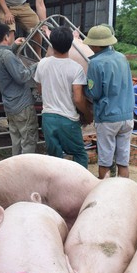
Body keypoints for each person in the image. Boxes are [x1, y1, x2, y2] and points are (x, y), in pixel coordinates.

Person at [34, 26, 93, 167]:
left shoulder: (42, 64)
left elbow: (40, 89)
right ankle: (80, 187)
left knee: (54, 158)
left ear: (52, 44)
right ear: (71, 43)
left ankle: (57, 187)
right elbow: (78, 99)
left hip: (48, 117)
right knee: (79, 154)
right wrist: (87, 113)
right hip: (68, 119)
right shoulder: (76, 68)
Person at [84, 24, 135, 178]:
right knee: (123, 161)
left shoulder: (95, 63)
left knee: (105, 161)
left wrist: (84, 90)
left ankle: (104, 194)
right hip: (127, 116)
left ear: (96, 45)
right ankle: (124, 191)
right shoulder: (122, 57)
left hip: (108, 118)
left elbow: (95, 93)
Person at [0, 23, 39, 155]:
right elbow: (22, 76)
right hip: (22, 104)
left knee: (16, 140)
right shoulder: (7, 55)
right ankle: (26, 171)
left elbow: (6, 58)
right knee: (28, 140)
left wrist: (14, 46)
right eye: (11, 35)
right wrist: (37, 65)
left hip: (10, 104)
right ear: (6, 37)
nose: (12, 37)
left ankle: (15, 171)